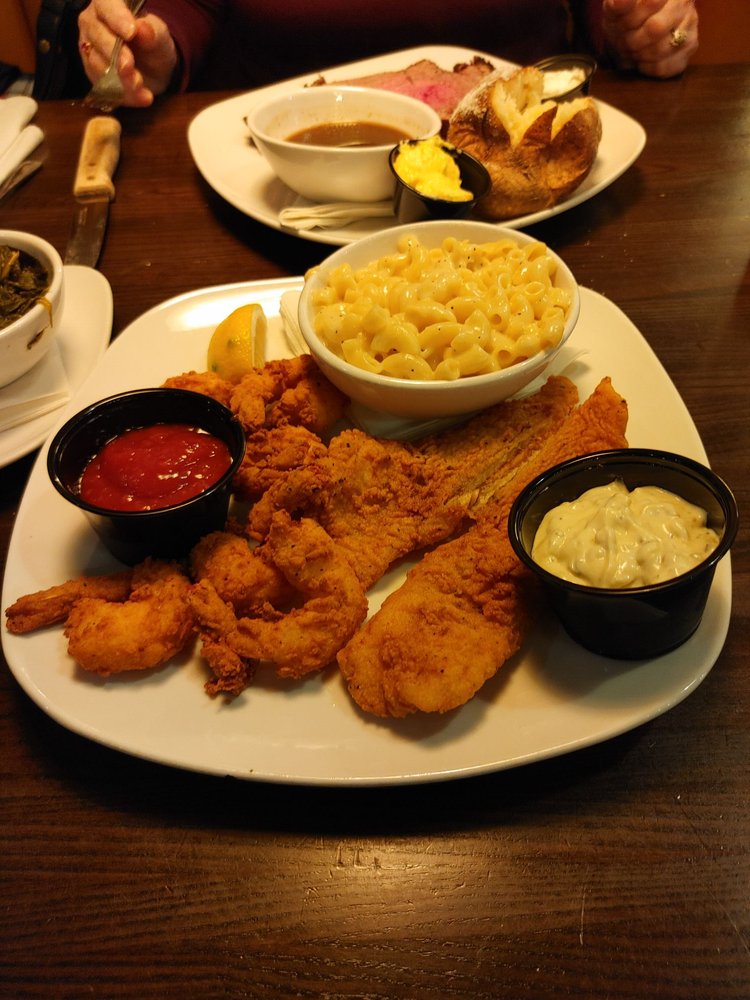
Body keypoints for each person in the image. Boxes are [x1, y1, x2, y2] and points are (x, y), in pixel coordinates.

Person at [76, 0, 699, 108]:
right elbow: (192, 8)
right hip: (275, 188)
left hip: (518, 157)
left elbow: (603, 12)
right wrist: (155, 48)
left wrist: (634, 31)